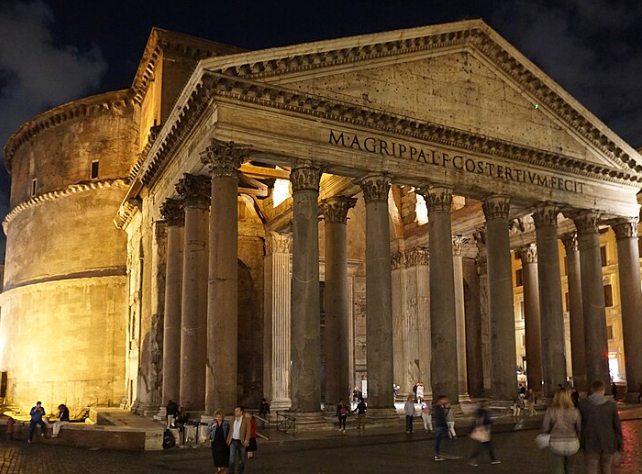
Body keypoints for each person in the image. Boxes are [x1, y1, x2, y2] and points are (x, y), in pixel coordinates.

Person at [579, 380, 623, 474]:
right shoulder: (611, 406)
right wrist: (619, 444)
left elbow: (580, 425)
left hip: (590, 441)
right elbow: (617, 426)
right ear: (603, 390)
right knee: (606, 468)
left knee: (591, 468)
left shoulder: (583, 405)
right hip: (608, 442)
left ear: (592, 390)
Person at [541, 388, 581, 474]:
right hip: (572, 442)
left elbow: (545, 428)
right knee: (570, 469)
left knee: (557, 470)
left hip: (556, 442)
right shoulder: (575, 411)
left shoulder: (551, 411)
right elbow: (579, 428)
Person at [227, 406, 251, 474]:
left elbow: (248, 431)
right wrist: (228, 439)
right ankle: (231, 472)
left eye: (237, 411)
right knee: (231, 458)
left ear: (241, 412)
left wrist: (247, 440)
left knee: (242, 459)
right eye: (235, 410)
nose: (235, 412)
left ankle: (240, 472)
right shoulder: (232, 419)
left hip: (241, 441)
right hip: (233, 441)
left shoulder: (246, 420)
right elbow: (230, 430)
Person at [207, 409, 230, 474]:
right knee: (216, 455)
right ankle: (219, 469)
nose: (218, 418)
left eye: (220, 417)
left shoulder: (225, 423)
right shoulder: (212, 422)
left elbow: (228, 431)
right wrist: (212, 427)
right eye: (217, 417)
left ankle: (222, 469)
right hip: (215, 441)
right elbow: (208, 430)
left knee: (223, 455)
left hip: (223, 441)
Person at [433, 395, 449, 461]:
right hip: (440, 425)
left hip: (439, 425)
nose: (446, 401)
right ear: (441, 400)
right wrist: (445, 425)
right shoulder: (439, 408)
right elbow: (441, 418)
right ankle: (437, 455)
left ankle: (438, 454)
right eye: (445, 399)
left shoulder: (438, 407)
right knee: (438, 441)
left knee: (439, 441)